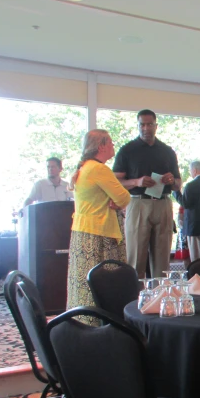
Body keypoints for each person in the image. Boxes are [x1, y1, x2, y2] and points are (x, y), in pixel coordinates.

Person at [66, 130, 130, 313]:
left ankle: (84, 318)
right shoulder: (99, 169)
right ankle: (103, 321)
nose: (113, 145)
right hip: (100, 234)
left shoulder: (85, 167)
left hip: (83, 233)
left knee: (84, 284)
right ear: (101, 146)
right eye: (110, 142)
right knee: (104, 283)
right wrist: (116, 201)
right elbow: (124, 198)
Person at [113, 109, 181, 279]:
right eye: (142, 124)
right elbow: (115, 183)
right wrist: (136, 182)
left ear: (156, 126)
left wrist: (171, 180)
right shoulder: (127, 150)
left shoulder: (167, 151)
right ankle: (134, 301)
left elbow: (178, 184)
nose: (146, 128)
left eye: (149, 124)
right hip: (138, 204)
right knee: (135, 259)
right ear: (137, 125)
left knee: (162, 261)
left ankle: (160, 301)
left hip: (163, 203)